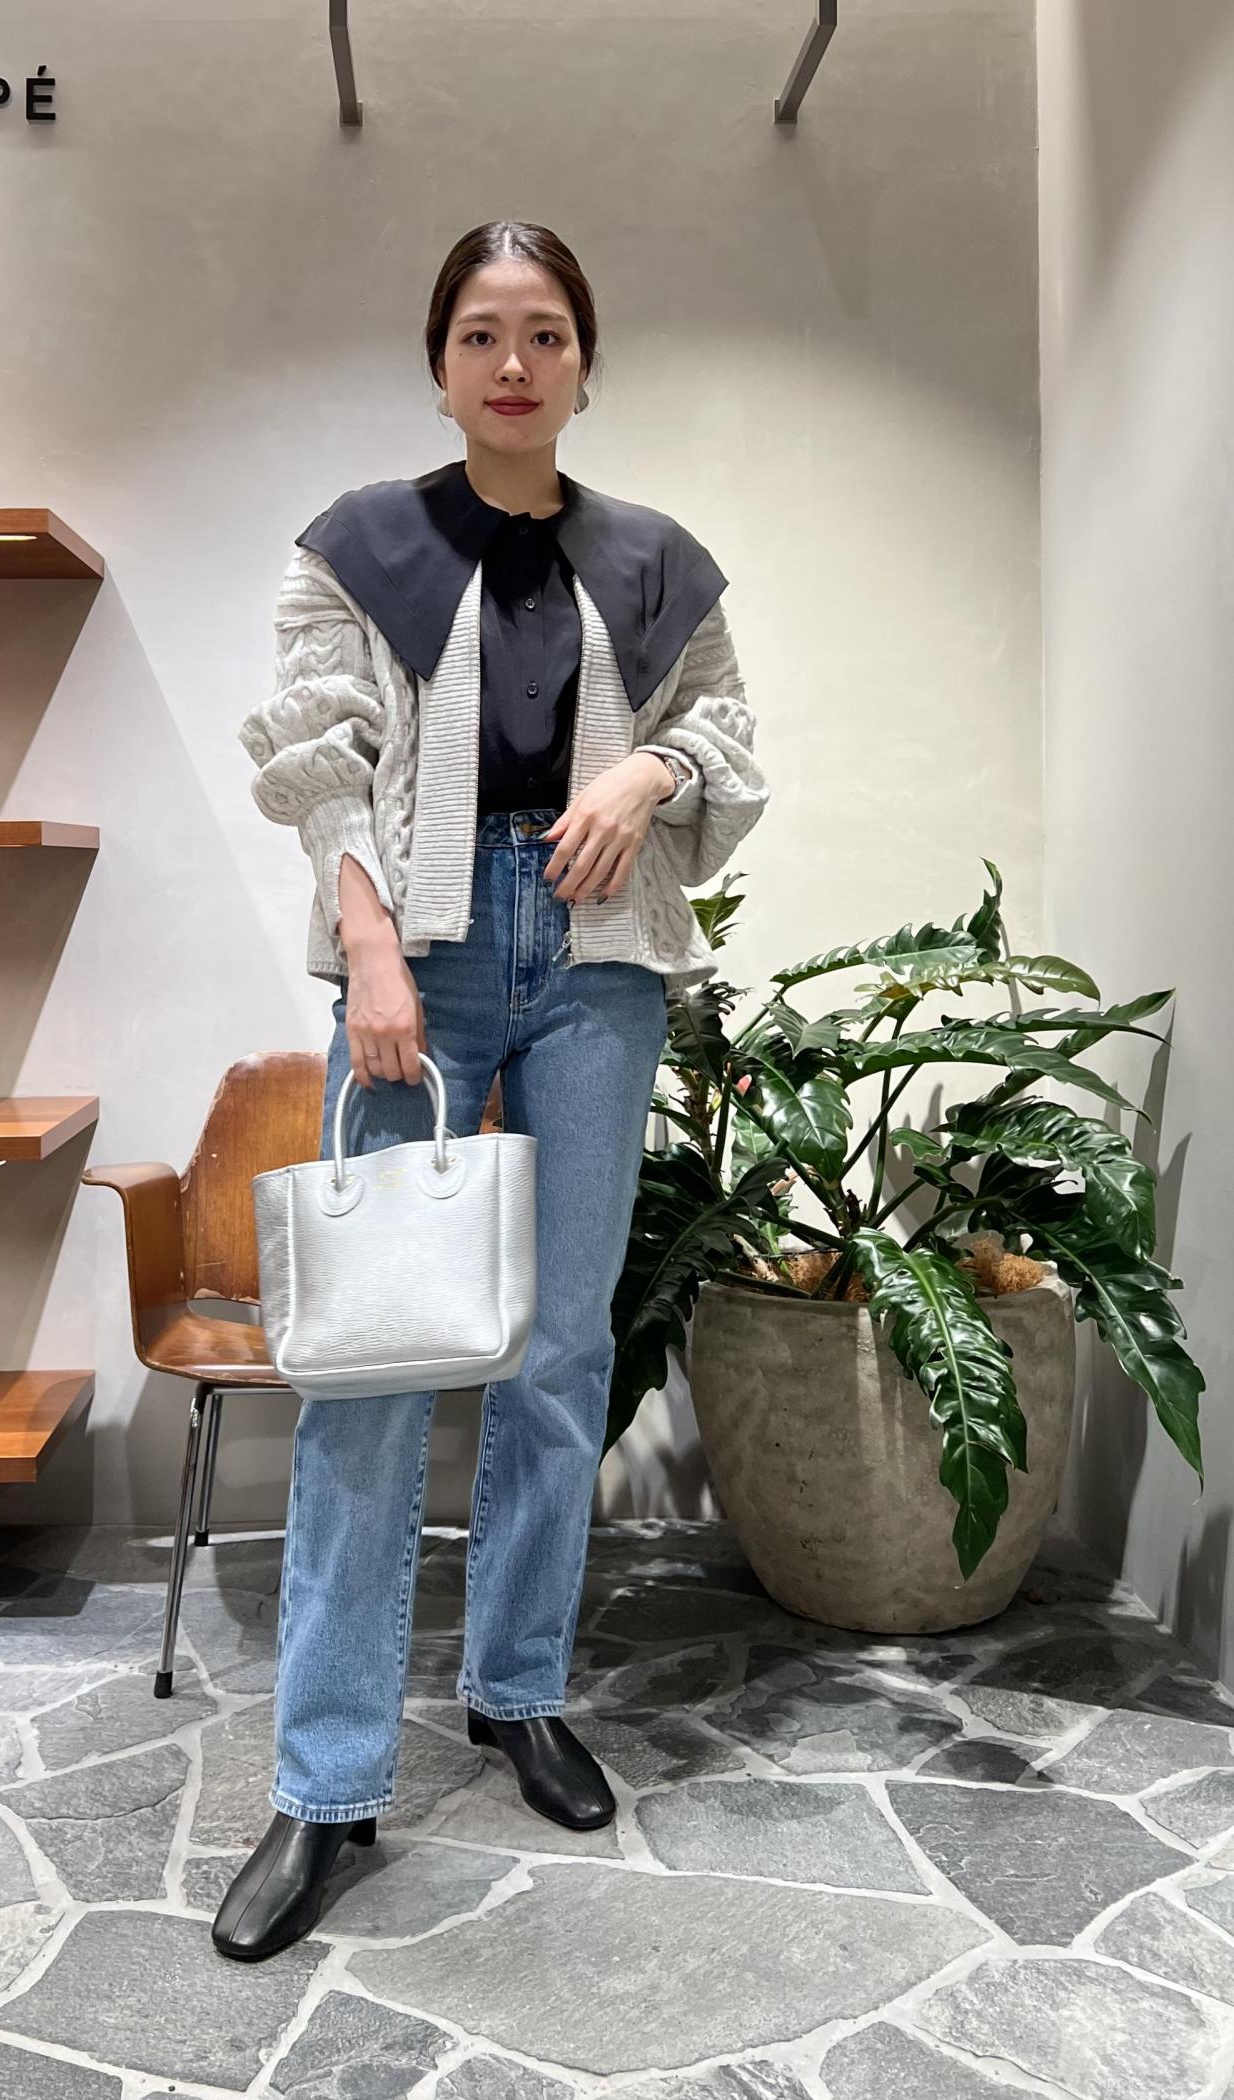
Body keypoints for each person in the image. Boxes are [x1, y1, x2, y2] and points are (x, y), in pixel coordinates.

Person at [214, 220, 769, 1961]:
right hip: (425, 952)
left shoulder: (658, 561)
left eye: (545, 333)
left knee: (560, 1352)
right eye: (480, 333)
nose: (513, 363)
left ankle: (520, 1692)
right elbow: (317, 753)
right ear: (439, 363)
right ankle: (324, 1785)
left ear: (585, 364)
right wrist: (370, 947)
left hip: (602, 958)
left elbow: (728, 736)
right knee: (374, 1368)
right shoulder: (360, 547)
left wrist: (651, 768)